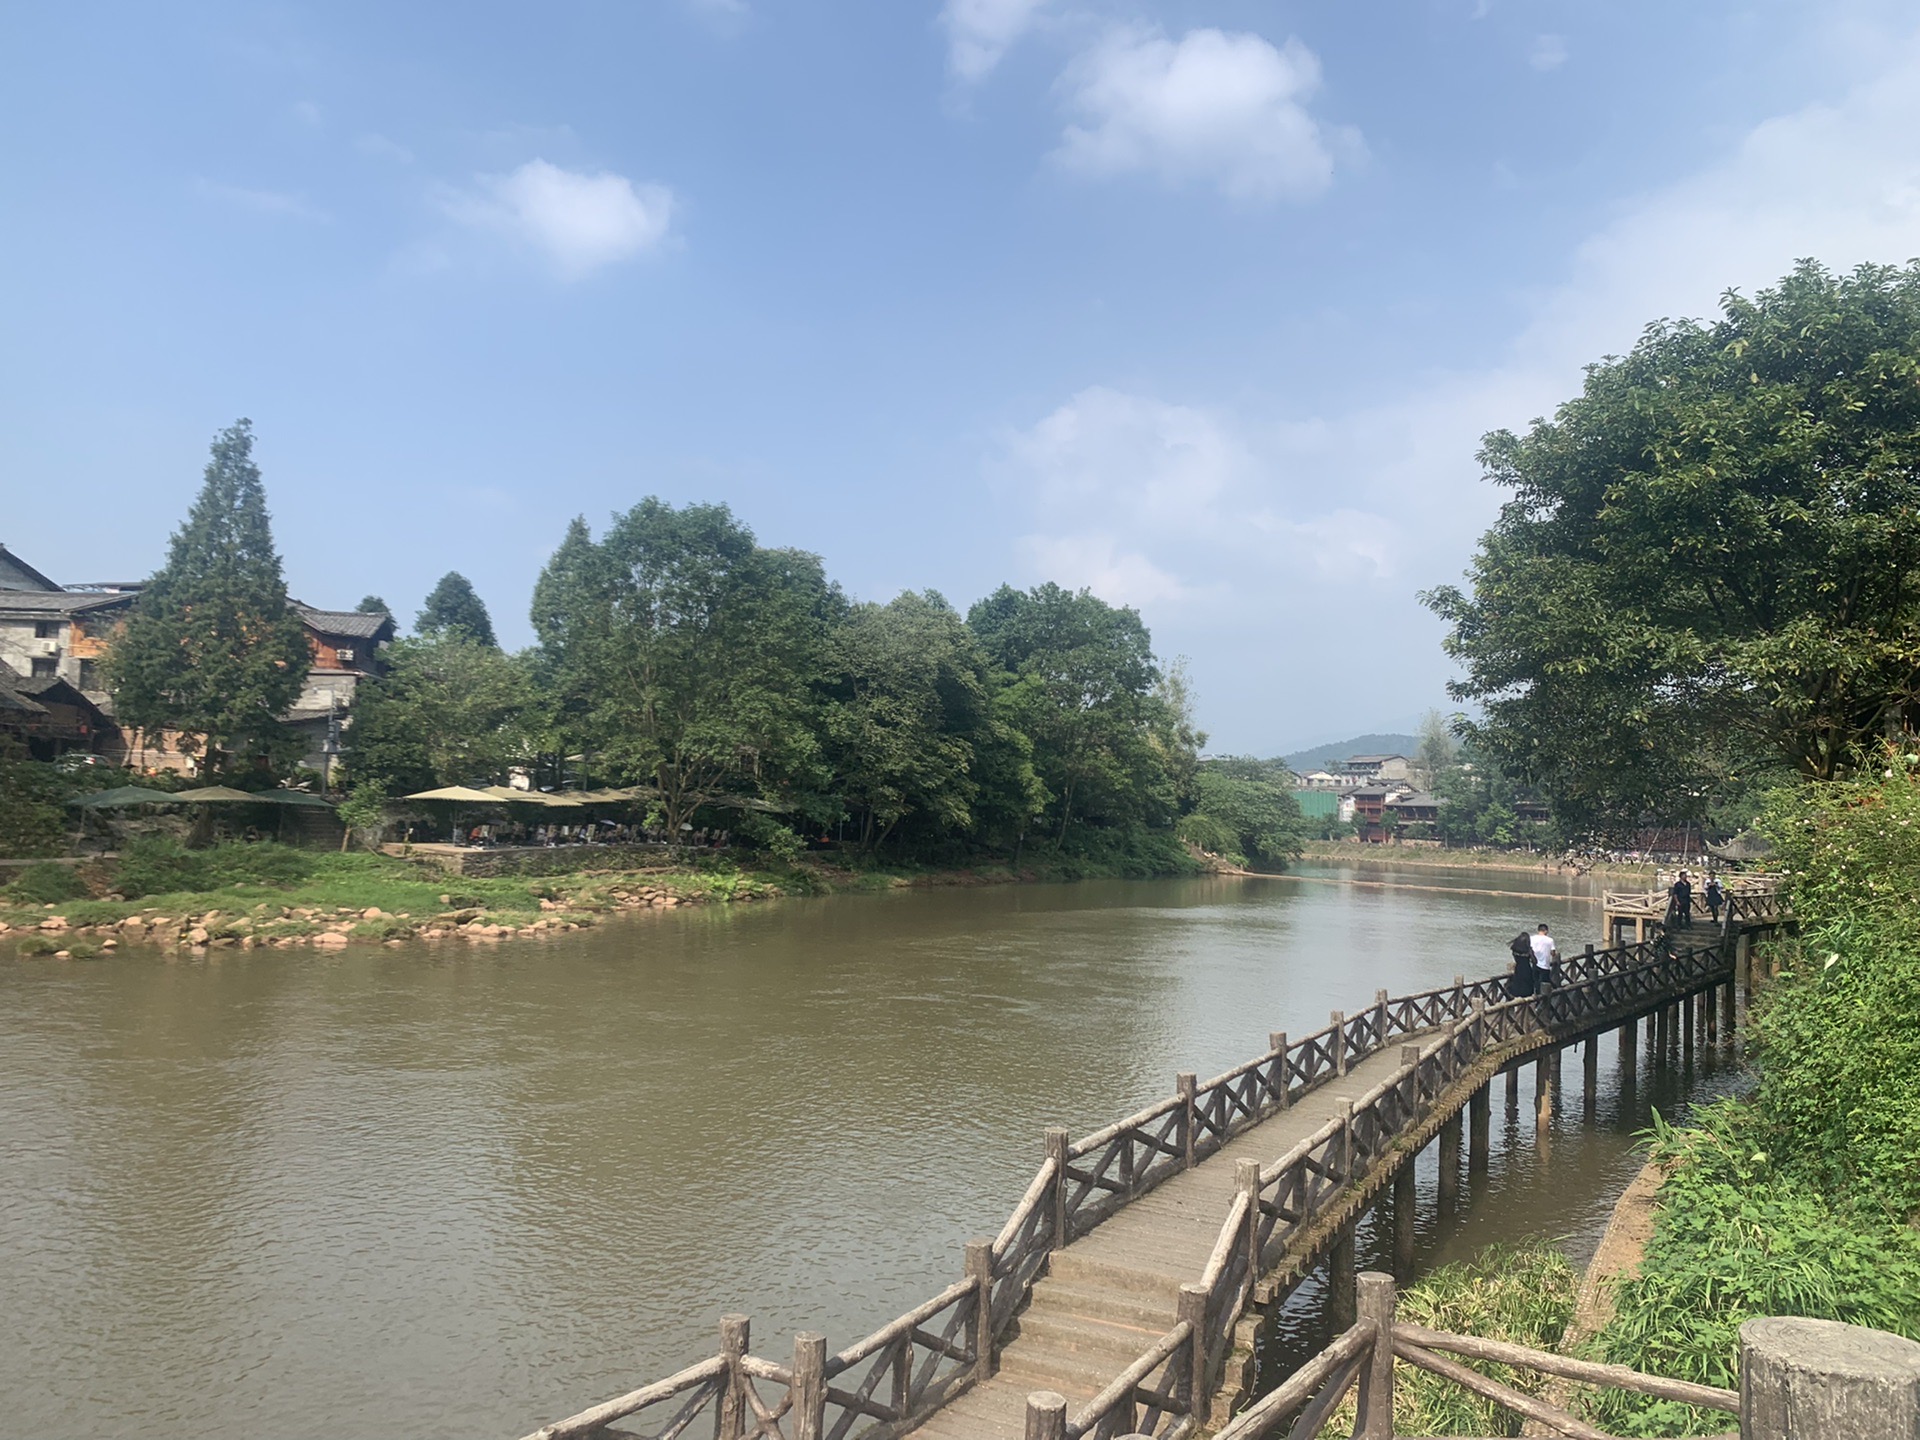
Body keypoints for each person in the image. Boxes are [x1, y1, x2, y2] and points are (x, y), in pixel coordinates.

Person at [1530, 923, 1560, 989]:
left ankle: (1537, 996)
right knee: (1545, 983)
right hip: (1545, 965)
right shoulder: (1550, 940)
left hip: (1535, 963)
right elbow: (1553, 953)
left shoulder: (1532, 938)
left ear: (1538, 930)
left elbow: (1530, 949)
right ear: (1546, 931)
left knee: (1536, 982)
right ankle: (1555, 990)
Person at [1508, 930, 1537, 997]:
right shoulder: (1528, 950)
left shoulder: (1514, 949)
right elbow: (1535, 961)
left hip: (1518, 970)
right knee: (1527, 990)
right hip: (1527, 970)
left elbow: (1515, 958)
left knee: (1517, 987)